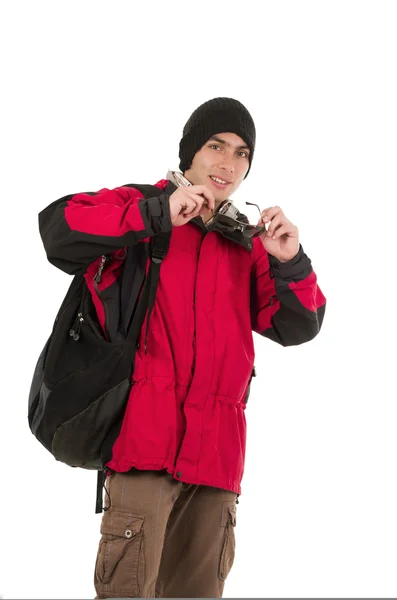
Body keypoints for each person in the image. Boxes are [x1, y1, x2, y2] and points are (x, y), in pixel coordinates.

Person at [38, 97, 326, 598]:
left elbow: (298, 325)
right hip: (143, 454)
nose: (227, 163)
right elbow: (58, 229)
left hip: (216, 467)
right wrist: (155, 214)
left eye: (241, 153)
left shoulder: (247, 245)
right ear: (191, 151)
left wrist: (290, 261)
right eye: (216, 146)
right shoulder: (143, 205)